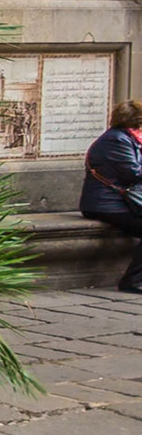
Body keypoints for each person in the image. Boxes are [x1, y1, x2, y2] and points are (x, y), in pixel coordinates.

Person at [81, 99, 142, 295]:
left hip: (122, 203)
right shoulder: (116, 140)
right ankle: (132, 281)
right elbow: (133, 173)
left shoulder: (129, 138)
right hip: (107, 204)